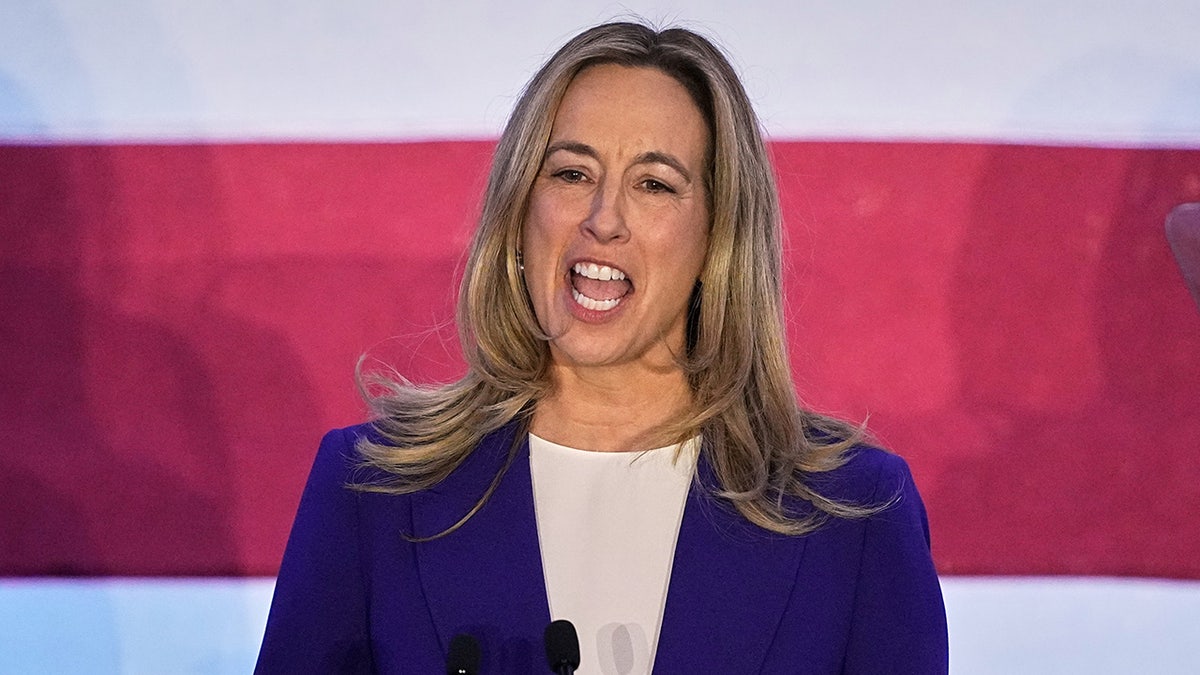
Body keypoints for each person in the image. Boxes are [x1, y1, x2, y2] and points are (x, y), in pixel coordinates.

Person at [256, 21, 948, 674]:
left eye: (653, 184)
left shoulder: (852, 513)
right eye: (571, 173)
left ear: (717, 239)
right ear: (521, 210)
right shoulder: (373, 488)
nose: (603, 219)